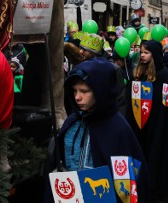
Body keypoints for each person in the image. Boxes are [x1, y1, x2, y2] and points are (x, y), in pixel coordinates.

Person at [45, 59, 149, 203]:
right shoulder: (71, 122)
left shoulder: (118, 128)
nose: (77, 97)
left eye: (84, 91)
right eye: (74, 90)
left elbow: (128, 186)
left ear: (101, 91)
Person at [126, 39, 168, 199]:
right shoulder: (138, 73)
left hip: (157, 126)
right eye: (141, 52)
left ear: (154, 55)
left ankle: (154, 186)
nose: (142, 55)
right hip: (139, 125)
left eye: (146, 53)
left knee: (154, 155)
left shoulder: (164, 76)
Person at [78, 32, 127, 116]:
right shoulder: (81, 67)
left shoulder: (113, 69)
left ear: (94, 52)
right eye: (80, 48)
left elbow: (121, 99)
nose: (80, 51)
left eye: (85, 50)